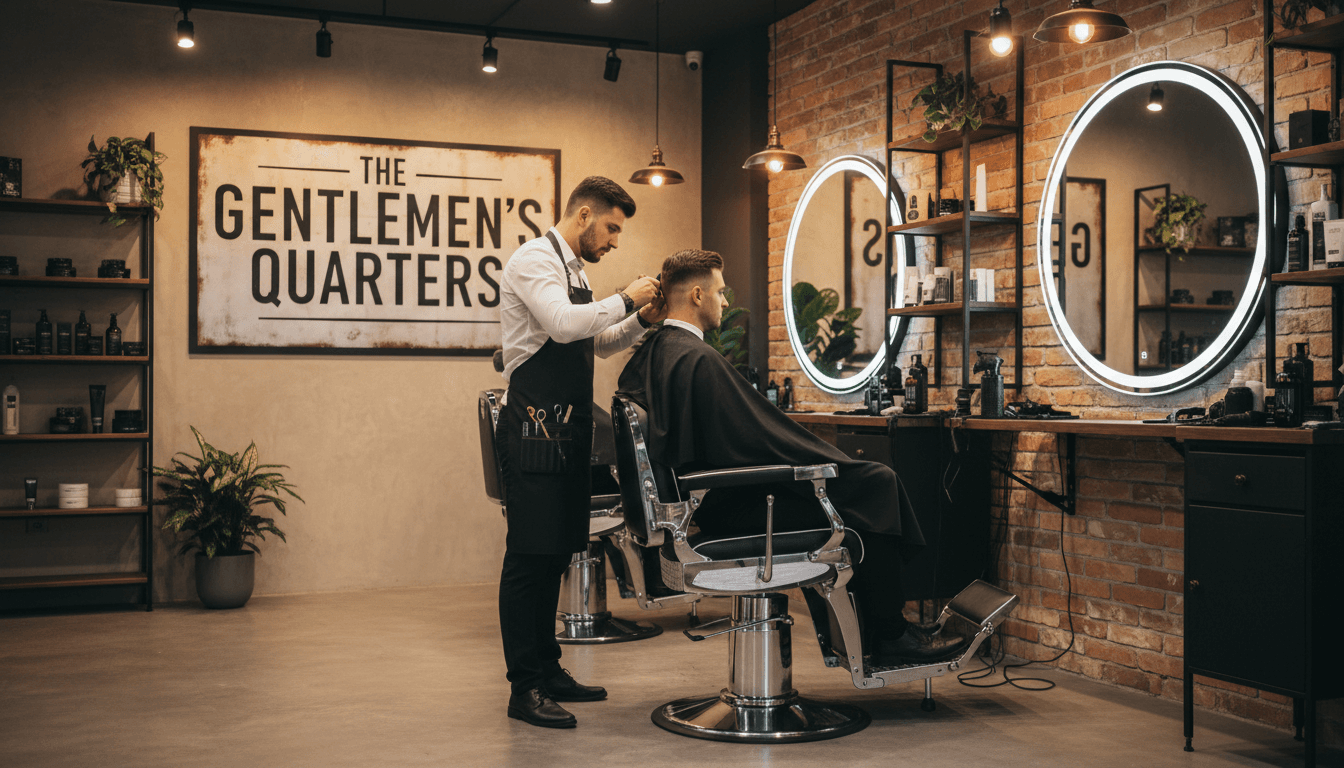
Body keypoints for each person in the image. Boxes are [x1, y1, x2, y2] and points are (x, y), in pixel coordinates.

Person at [616, 249, 967, 667]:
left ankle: (885, 629)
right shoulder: (695, 358)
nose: (725, 302)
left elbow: (742, 434)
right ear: (696, 294)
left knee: (861, 486)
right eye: (721, 292)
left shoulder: (660, 351)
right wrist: (824, 462)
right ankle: (889, 635)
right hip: (733, 508)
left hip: (709, 504)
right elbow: (756, 438)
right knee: (875, 484)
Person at [495, 176, 665, 729]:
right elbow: (564, 325)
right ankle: (524, 688)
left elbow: (595, 341)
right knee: (528, 558)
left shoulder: (575, 270)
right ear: (585, 214)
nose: (615, 240)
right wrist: (625, 296)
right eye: (612, 227)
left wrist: (640, 319)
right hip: (532, 428)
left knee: (557, 555)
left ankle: (549, 669)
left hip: (566, 430)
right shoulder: (533, 261)